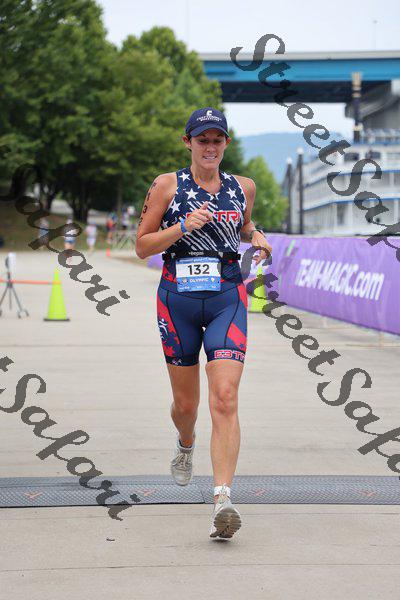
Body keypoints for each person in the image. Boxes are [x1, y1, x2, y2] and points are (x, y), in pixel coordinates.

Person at [135, 107, 272, 540]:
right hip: (176, 301)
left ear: (226, 143)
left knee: (225, 397)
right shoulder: (167, 185)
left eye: (217, 140)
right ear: (188, 143)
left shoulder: (243, 187)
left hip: (226, 298)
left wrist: (256, 234)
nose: (210, 147)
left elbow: (242, 224)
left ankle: (222, 500)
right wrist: (181, 226)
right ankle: (186, 443)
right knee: (186, 406)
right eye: (202, 140)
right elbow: (142, 245)